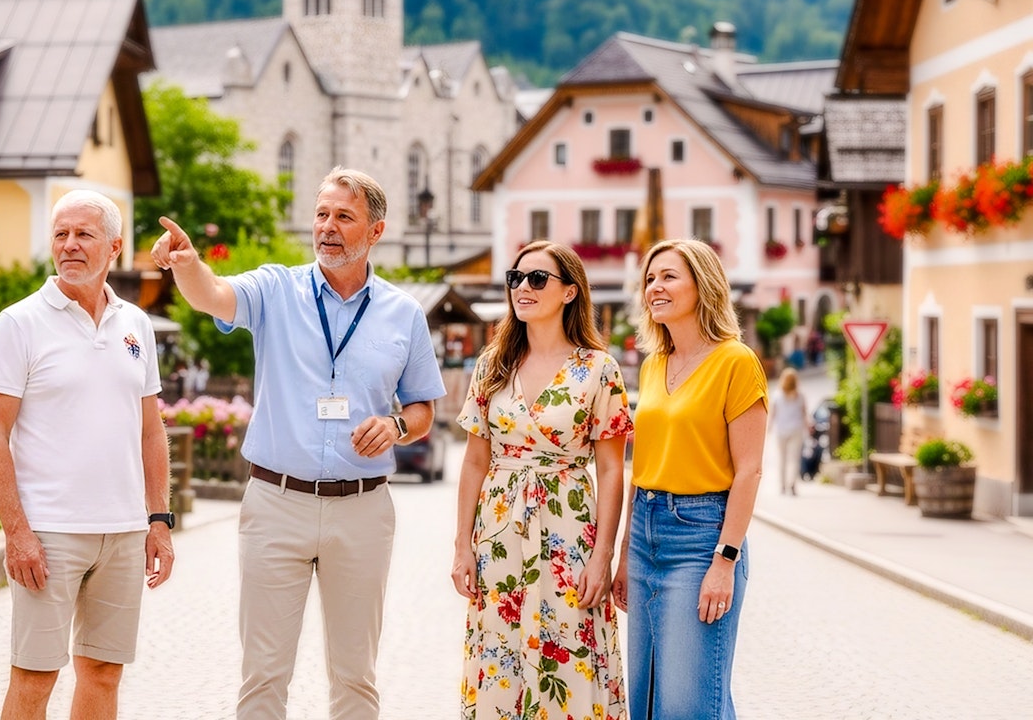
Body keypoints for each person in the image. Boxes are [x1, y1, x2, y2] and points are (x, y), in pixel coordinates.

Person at [150, 167, 446, 720]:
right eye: (321, 214)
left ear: (375, 231)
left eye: (343, 217)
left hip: (362, 508)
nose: (327, 227)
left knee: (355, 677)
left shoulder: (403, 312)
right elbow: (212, 296)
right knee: (263, 675)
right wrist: (188, 264)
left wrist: (398, 426)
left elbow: (425, 407)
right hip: (275, 503)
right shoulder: (274, 288)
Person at [0, 189, 175, 720]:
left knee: (104, 673)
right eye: (60, 235)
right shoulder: (18, 323)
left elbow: (150, 430)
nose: (69, 245)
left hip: (126, 530)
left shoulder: (136, 324)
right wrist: (16, 532)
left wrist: (158, 519)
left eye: (83, 234)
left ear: (114, 246)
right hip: (49, 533)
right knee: (34, 677)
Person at [452, 241, 633, 720]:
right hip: (499, 536)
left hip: (569, 532)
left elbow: (612, 468)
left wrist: (604, 556)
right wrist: (462, 546)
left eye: (537, 279)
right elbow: (474, 462)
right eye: (516, 278)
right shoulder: (492, 365)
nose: (523, 288)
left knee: (569, 657)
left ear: (570, 292)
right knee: (500, 658)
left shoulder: (599, 370)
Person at [611, 239, 767, 720]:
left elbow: (750, 471)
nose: (655, 287)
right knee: (650, 699)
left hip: (702, 536)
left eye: (669, 276)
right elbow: (642, 464)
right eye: (650, 279)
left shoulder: (735, 361)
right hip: (644, 537)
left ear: (703, 285)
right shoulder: (655, 363)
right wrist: (622, 554)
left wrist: (725, 561)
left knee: (688, 704)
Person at [770, 367, 808, 496]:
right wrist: (808, 427)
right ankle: (792, 484)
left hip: (781, 430)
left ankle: (782, 485)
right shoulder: (800, 395)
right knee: (794, 459)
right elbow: (804, 413)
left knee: (782, 459)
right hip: (796, 429)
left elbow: (773, 414)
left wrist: (769, 428)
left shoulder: (777, 394)